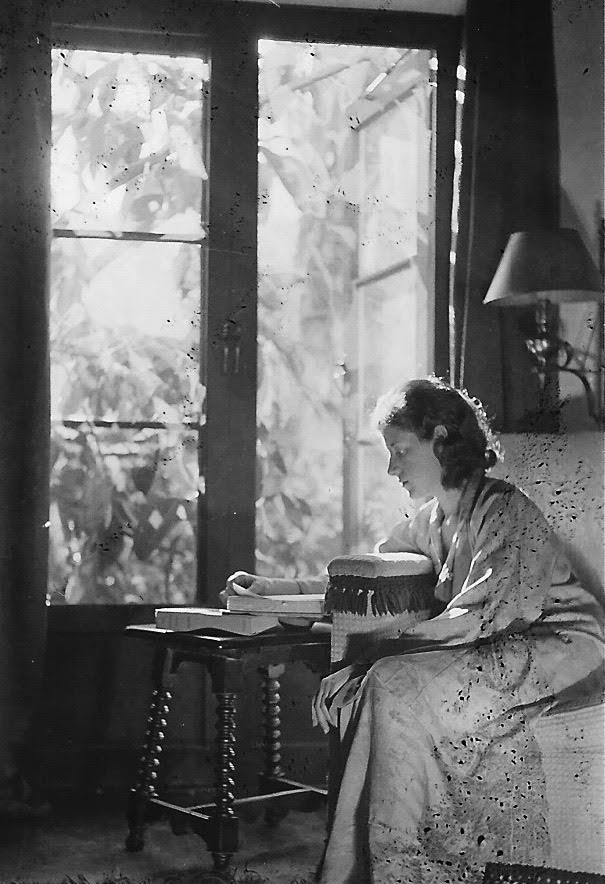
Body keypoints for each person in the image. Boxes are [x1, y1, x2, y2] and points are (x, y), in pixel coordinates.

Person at [223, 377, 604, 883]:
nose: (390, 467)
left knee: (387, 682)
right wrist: (268, 588)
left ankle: (409, 870)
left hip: (559, 647)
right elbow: (357, 585)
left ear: (441, 438)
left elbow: (478, 616)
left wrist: (367, 661)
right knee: (384, 687)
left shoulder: (504, 508)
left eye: (400, 451)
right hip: (487, 646)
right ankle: (360, 872)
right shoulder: (431, 521)